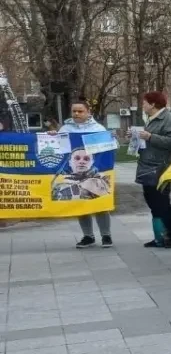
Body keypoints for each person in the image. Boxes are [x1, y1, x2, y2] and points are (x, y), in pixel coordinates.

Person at [60, 101, 114, 248]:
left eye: (80, 111)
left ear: (88, 112)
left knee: (100, 204)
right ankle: (88, 236)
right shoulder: (65, 129)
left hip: (96, 172)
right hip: (74, 174)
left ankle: (106, 235)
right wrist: (52, 136)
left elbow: (105, 152)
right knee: (81, 204)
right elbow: (59, 149)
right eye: (74, 111)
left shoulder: (98, 129)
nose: (76, 114)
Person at [136, 92, 171, 249]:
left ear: (153, 104)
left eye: (145, 103)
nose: (143, 105)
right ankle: (160, 236)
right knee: (152, 202)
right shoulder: (151, 119)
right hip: (148, 166)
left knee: (162, 202)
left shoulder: (169, 119)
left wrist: (150, 137)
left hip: (161, 167)